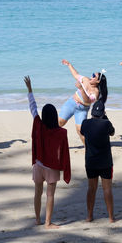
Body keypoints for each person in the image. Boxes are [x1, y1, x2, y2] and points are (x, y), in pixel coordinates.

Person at [24, 76, 71, 229]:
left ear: (44, 116)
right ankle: (48, 223)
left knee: (37, 193)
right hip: (52, 167)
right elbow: (64, 152)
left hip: (38, 165)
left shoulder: (38, 124)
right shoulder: (61, 132)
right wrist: (65, 167)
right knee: (50, 195)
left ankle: (37, 219)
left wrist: (30, 89)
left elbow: (33, 107)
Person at [80, 100, 115, 223]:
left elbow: (82, 132)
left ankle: (89, 216)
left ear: (92, 112)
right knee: (107, 189)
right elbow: (112, 132)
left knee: (91, 188)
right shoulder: (106, 123)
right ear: (103, 113)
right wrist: (105, 117)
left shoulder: (85, 123)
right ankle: (111, 218)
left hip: (91, 161)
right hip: (105, 161)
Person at [59, 59, 107, 145]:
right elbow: (76, 75)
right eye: (92, 74)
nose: (91, 77)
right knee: (60, 122)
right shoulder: (85, 79)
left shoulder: (96, 92)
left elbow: (87, 100)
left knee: (80, 131)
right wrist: (69, 64)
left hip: (82, 109)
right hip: (71, 103)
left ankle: (88, 148)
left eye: (93, 76)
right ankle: (48, 138)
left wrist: (81, 89)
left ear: (98, 81)